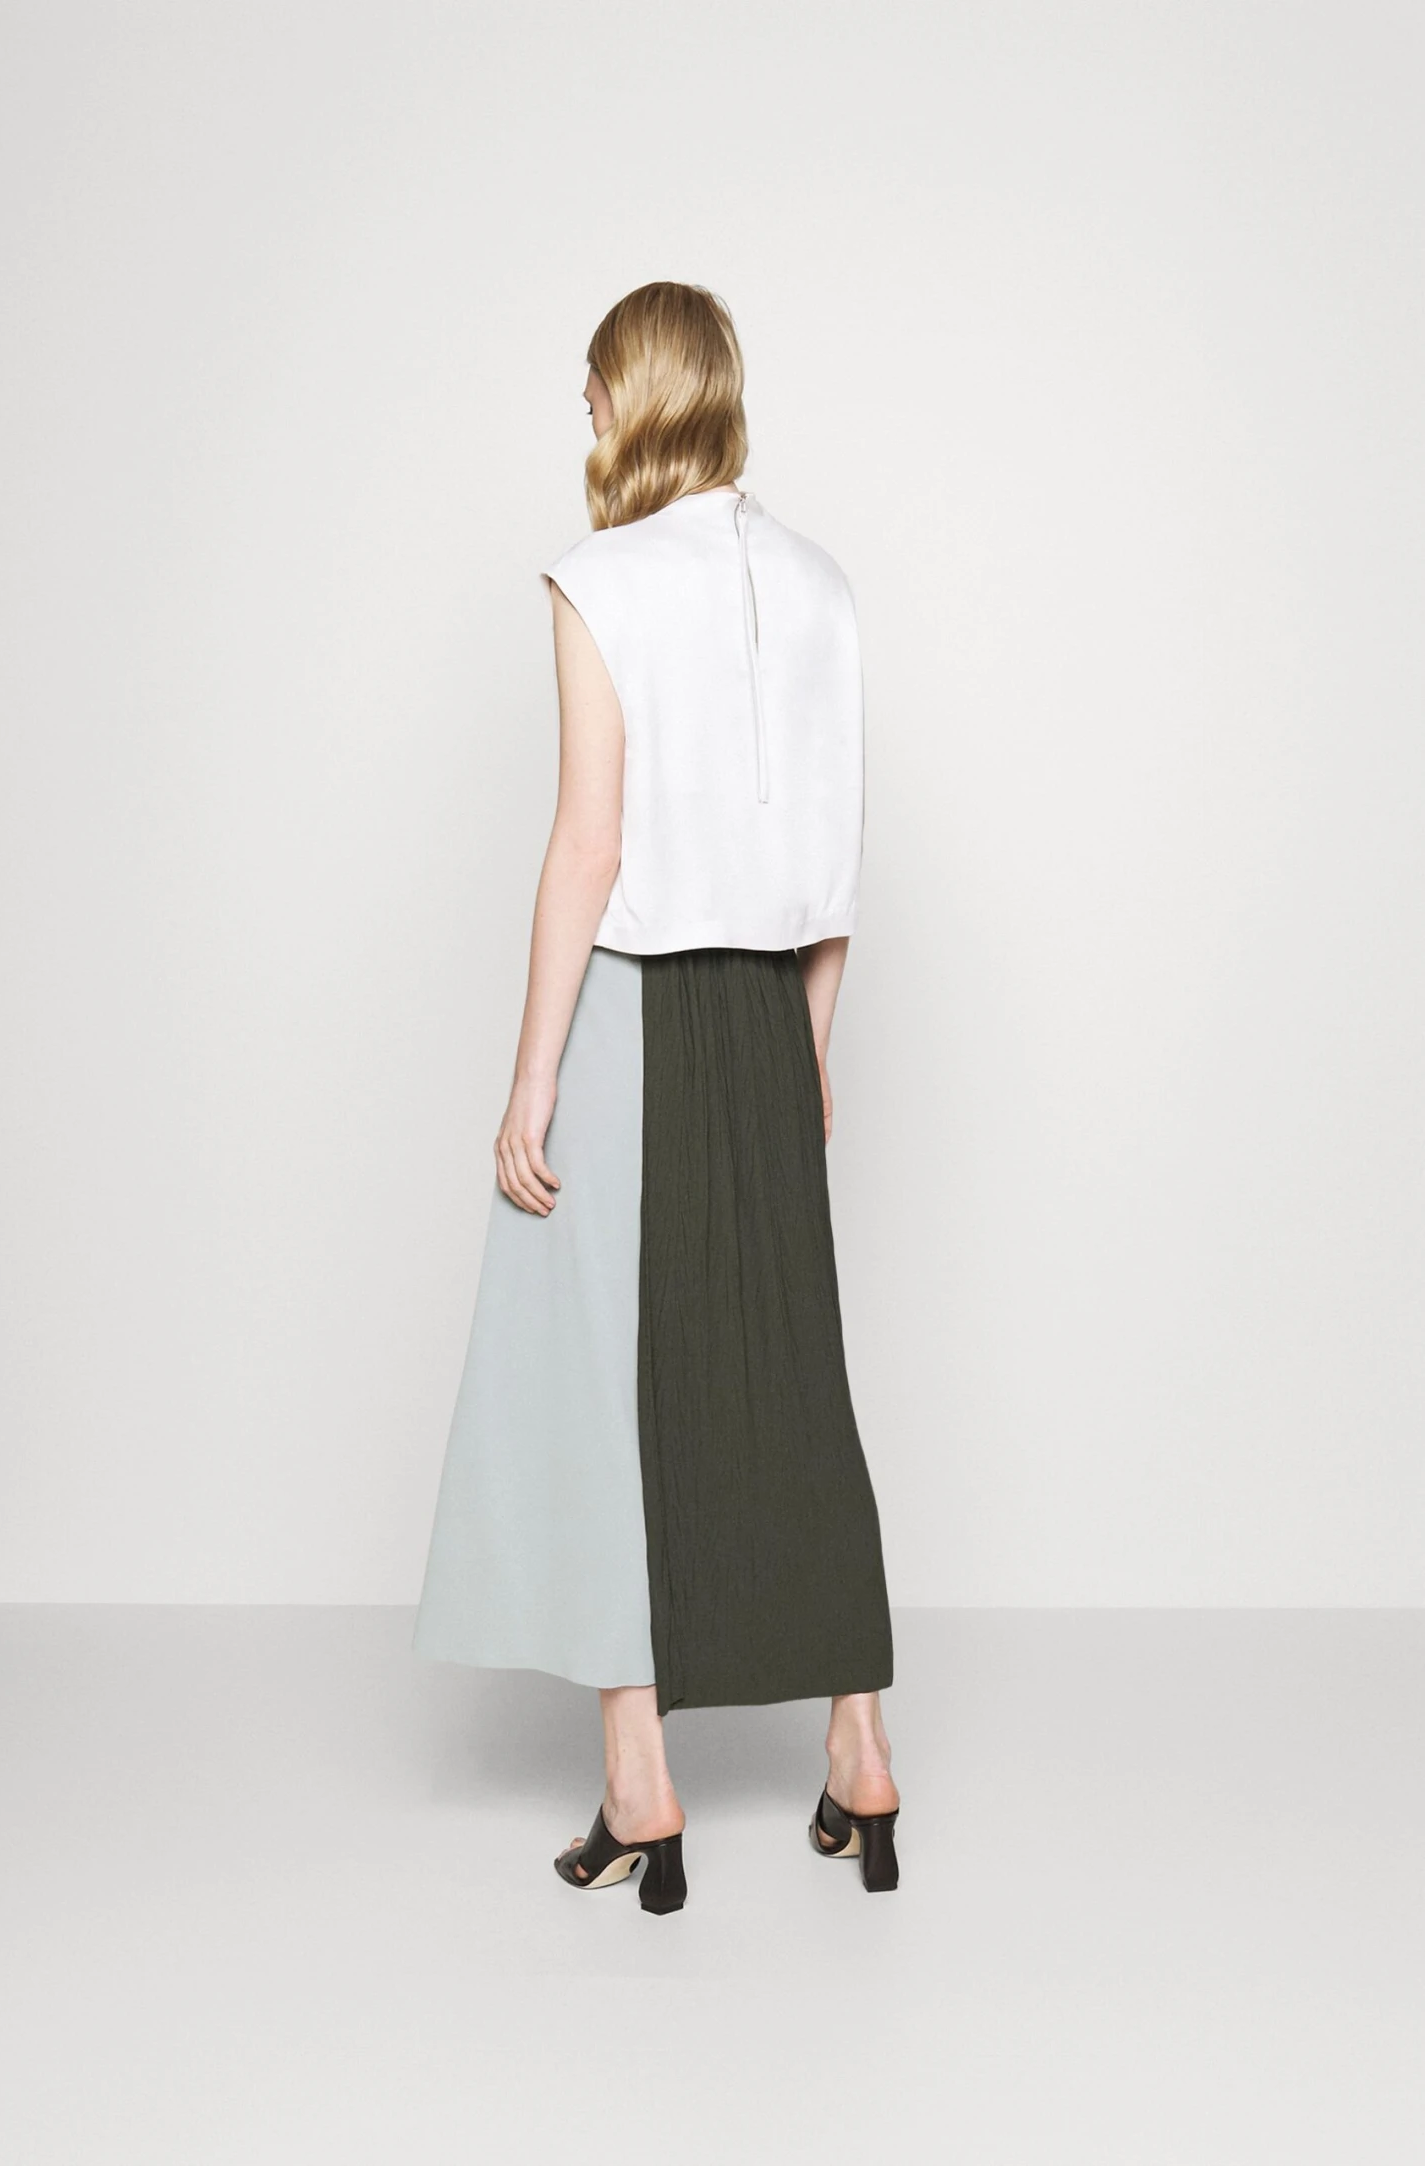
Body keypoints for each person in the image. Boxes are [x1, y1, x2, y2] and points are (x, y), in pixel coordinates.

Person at [412, 281, 899, 1911]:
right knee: (790, 1371)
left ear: (644, 395)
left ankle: (641, 1782)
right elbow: (833, 865)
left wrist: (531, 1075)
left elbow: (589, 842)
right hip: (766, 1007)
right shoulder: (824, 586)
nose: (589, 413)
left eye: (598, 388)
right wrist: (810, 1045)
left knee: (597, 1377)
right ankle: (863, 1749)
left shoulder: (600, 580)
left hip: (631, 1007)